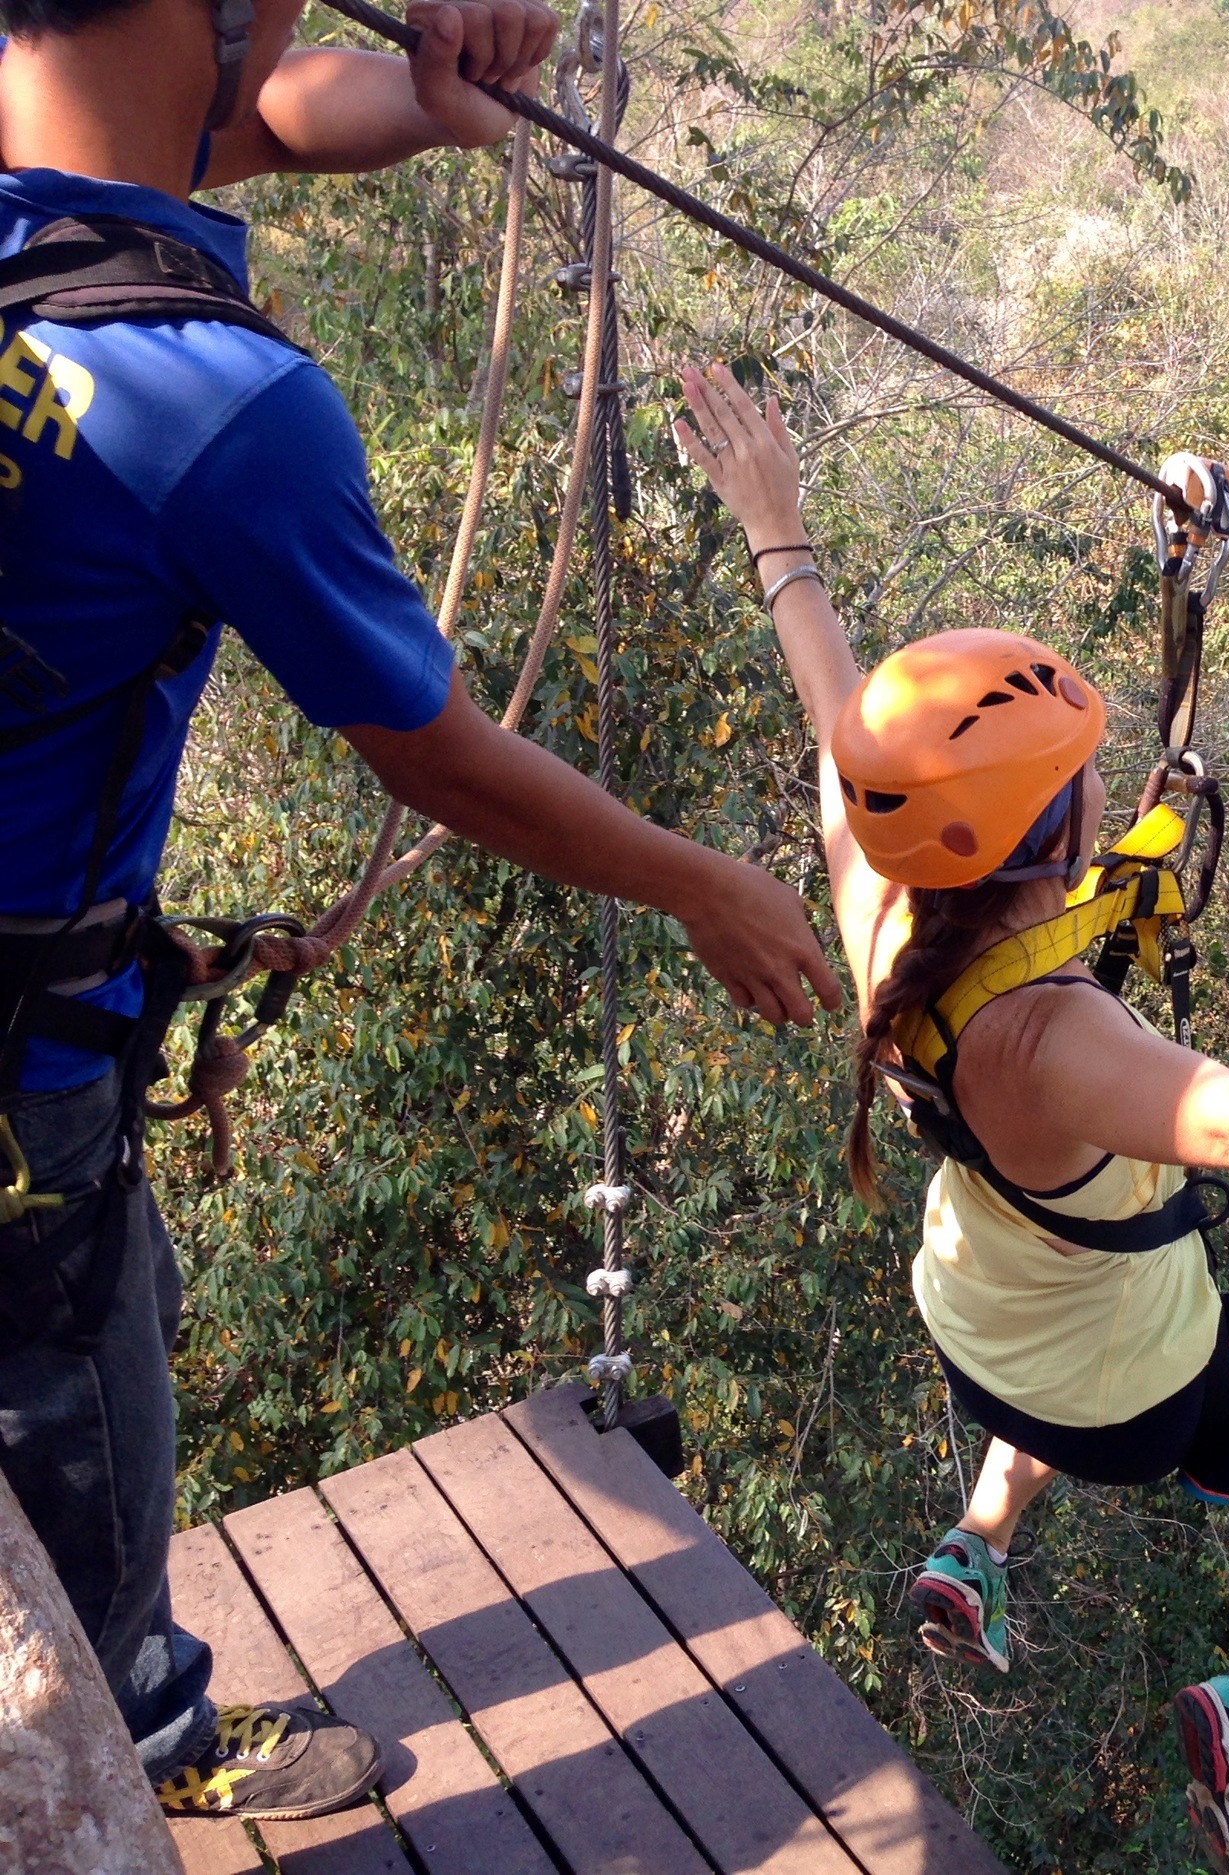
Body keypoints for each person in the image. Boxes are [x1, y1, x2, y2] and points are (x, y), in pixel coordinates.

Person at [0, 0, 844, 1823]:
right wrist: (704, 879)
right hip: (20, 1056)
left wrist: (435, 107)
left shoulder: (40, 220)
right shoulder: (215, 408)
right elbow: (437, 756)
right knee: (79, 1359)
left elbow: (241, 124)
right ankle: (131, 1744)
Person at [678, 363, 1229, 1875]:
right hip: (1123, 1403)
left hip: (979, 1330)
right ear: (1067, 832)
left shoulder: (883, 903)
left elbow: (842, 712)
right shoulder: (1063, 1045)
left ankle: (980, 1535)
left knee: (1078, 1274)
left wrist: (778, 528)